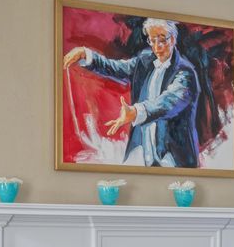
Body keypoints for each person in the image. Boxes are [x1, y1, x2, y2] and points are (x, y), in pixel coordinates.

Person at [61, 18, 200, 167]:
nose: (157, 47)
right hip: (142, 152)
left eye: (161, 40)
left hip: (173, 158)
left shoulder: (186, 72)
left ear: (173, 39)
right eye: (152, 41)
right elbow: (115, 68)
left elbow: (168, 102)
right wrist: (86, 54)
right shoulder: (145, 60)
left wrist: (135, 112)